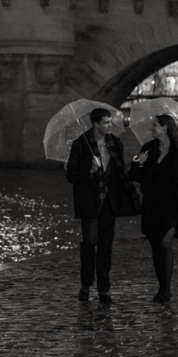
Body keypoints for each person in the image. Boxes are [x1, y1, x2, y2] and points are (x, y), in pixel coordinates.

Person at [64, 107, 136, 304]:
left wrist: (137, 164)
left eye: (110, 122)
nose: (109, 125)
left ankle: (104, 288)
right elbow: (71, 175)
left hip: (109, 204)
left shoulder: (116, 144)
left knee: (106, 247)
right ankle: (85, 285)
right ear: (95, 124)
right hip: (89, 203)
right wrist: (90, 170)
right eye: (106, 122)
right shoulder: (81, 145)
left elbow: (121, 172)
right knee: (89, 244)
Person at [129, 113, 178, 304]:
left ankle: (167, 289)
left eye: (154, 125)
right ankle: (161, 287)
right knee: (155, 246)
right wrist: (140, 162)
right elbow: (134, 174)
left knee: (165, 243)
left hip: (171, 205)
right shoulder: (147, 149)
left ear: (164, 128)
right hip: (152, 204)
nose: (151, 129)